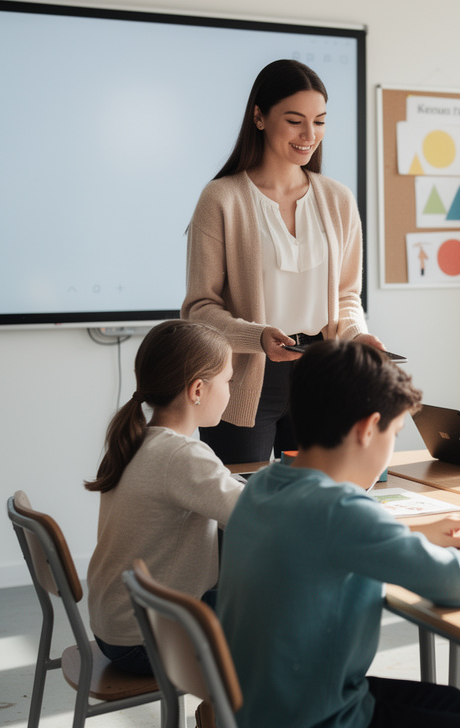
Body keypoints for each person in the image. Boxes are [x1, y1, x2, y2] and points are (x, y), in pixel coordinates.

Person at [217, 340, 460, 728]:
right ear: (367, 428)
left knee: (449, 703)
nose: (391, 447)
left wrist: (413, 536)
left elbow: (330, 543)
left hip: (260, 717)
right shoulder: (339, 510)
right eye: (394, 434)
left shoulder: (264, 486)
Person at [183, 58, 383, 465]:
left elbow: (347, 295)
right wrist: (257, 337)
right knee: (241, 514)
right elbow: (199, 309)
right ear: (259, 116)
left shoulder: (338, 200)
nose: (310, 135)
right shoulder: (221, 198)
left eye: (320, 121)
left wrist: (357, 336)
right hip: (241, 380)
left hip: (321, 376)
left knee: (317, 508)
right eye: (295, 121)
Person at [84, 319, 243, 675]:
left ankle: (218, 722)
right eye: (228, 381)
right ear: (198, 389)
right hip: (146, 640)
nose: (230, 391)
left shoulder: (141, 438)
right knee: (284, 617)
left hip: (117, 626)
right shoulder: (182, 456)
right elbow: (256, 517)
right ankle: (225, 724)